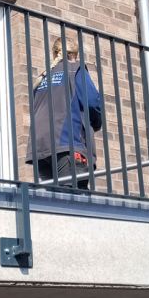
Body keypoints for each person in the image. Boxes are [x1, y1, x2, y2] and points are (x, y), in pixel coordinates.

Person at [27, 35, 102, 189]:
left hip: (41, 150)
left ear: (55, 54)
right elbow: (93, 101)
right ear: (75, 55)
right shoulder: (75, 70)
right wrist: (96, 123)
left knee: (54, 199)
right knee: (74, 197)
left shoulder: (43, 78)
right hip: (67, 145)